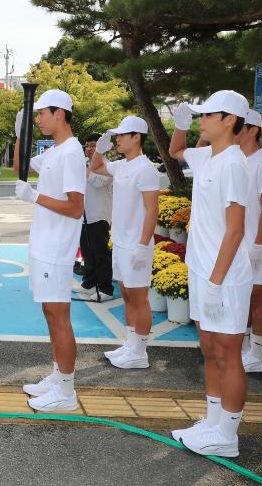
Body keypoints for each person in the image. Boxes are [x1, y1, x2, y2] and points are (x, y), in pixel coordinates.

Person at [168, 91, 252, 458]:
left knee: (228, 352)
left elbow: (235, 230)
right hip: (201, 269)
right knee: (208, 349)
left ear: (230, 120)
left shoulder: (234, 164)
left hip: (226, 276)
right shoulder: (207, 157)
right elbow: (175, 152)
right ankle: (213, 421)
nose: (202, 120)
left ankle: (228, 436)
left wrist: (217, 281)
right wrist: (180, 124)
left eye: (207, 115)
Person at [15, 89, 86, 412]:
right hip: (44, 246)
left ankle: (67, 392)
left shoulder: (71, 153)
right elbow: (21, 166)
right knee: (49, 314)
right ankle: (58, 377)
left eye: (42, 113)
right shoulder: (56, 151)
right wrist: (19, 135)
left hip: (57, 249)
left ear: (60, 114)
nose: (39, 119)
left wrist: (34, 198)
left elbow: (75, 208)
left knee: (60, 318)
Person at [90, 117, 160, 369]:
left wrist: (143, 244)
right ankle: (130, 345)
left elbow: (152, 209)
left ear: (136, 137)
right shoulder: (121, 166)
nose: (118, 139)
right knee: (127, 296)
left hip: (135, 244)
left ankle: (140, 353)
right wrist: (100, 148)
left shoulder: (146, 169)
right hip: (119, 242)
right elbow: (96, 168)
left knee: (139, 298)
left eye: (122, 135)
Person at [235, 110, 262, 373]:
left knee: (256, 297)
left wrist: (258, 244)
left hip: (255, 241)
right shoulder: (237, 160)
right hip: (237, 241)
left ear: (253, 130)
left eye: (240, 127)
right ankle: (240, 349)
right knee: (239, 297)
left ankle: (257, 354)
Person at [75, 133, 114, 300]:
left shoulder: (108, 166)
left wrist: (86, 170)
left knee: (100, 253)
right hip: (84, 214)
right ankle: (89, 282)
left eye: (93, 146)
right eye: (87, 146)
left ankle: (105, 288)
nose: (89, 149)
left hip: (100, 215)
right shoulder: (84, 164)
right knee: (87, 250)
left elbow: (98, 182)